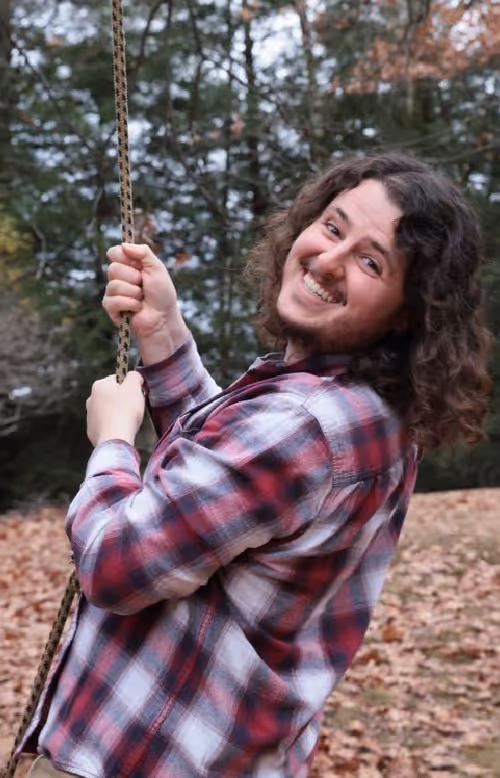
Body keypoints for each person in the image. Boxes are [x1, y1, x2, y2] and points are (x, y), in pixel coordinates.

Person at [22, 152, 490, 778]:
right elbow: (228, 488)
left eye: (371, 261)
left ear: (410, 309)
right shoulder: (362, 408)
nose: (328, 259)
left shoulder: (305, 425)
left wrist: (112, 441)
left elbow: (115, 565)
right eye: (332, 226)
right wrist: (163, 334)